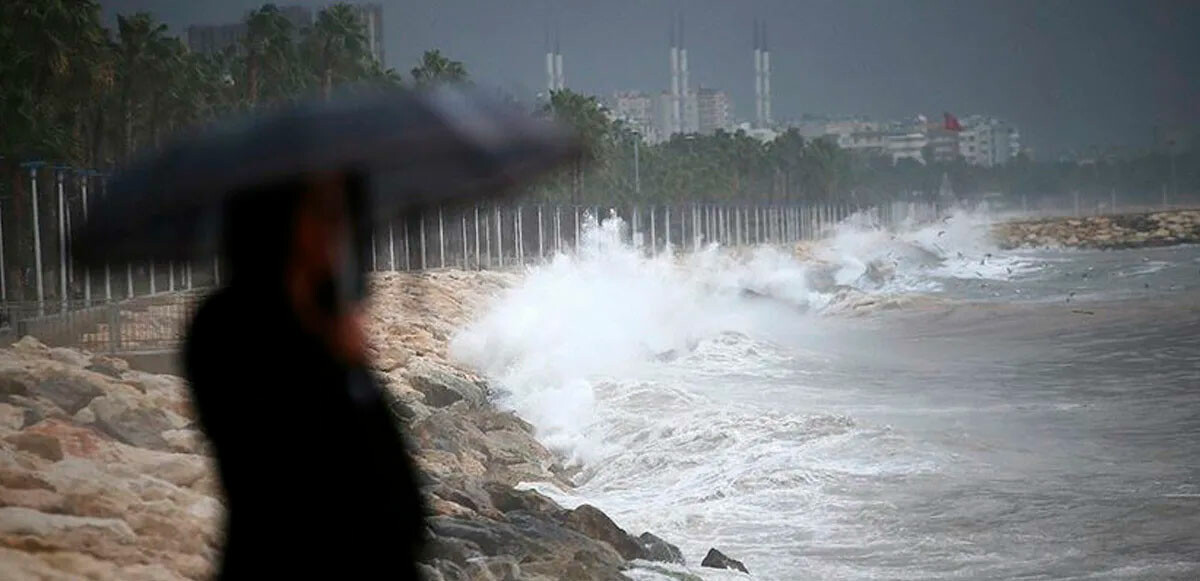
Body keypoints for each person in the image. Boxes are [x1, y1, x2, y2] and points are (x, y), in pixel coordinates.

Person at [184, 171, 426, 579]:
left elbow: (397, 487)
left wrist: (353, 363)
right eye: (324, 212)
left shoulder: (329, 317)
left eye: (342, 213)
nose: (339, 229)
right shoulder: (226, 326)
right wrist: (337, 359)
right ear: (276, 218)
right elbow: (275, 467)